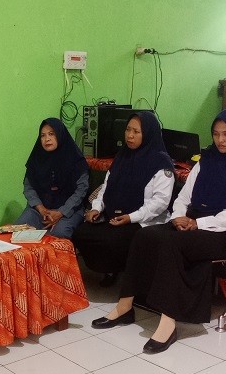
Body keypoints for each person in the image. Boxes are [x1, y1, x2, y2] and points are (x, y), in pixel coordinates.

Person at [92, 108, 226, 355]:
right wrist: (178, 218)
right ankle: (125, 306)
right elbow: (183, 197)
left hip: (223, 233)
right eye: (216, 134)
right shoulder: (206, 161)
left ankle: (168, 322)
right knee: (144, 235)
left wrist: (198, 224)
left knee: (173, 244)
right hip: (191, 222)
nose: (220, 140)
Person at [72, 111, 174, 286]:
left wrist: (130, 217)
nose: (130, 135)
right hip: (114, 215)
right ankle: (109, 267)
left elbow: (160, 202)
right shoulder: (122, 156)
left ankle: (125, 274)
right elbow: (106, 187)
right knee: (82, 233)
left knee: (112, 240)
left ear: (148, 134)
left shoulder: (161, 163)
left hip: (143, 220)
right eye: (128, 130)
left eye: (136, 131)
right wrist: (96, 208)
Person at [15, 118, 89, 238]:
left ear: (60, 135)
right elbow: (29, 187)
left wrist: (61, 212)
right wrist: (41, 208)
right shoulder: (36, 159)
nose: (47, 139)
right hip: (40, 210)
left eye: (51, 134)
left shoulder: (76, 160)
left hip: (69, 210)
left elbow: (81, 190)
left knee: (59, 233)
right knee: (19, 231)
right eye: (43, 135)